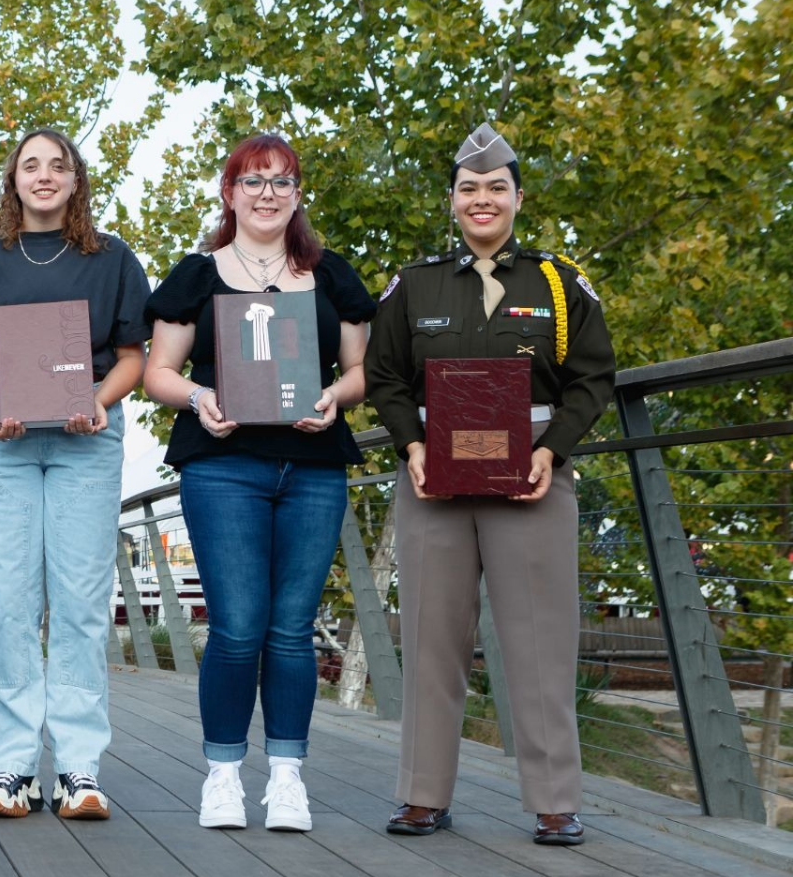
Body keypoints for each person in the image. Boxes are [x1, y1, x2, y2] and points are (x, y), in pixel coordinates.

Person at [365, 123, 614, 846]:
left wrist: (553, 452)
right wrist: (410, 446)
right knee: (433, 642)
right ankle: (422, 795)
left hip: (531, 481)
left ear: (517, 198)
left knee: (541, 645)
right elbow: (384, 377)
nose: (482, 200)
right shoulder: (415, 287)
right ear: (452, 201)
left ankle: (555, 802)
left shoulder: (559, 286)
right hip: (433, 484)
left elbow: (592, 376)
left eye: (495, 188)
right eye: (469, 189)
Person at [142, 134, 375, 833]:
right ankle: (220, 776)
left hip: (313, 470)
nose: (267, 193)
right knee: (238, 629)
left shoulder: (332, 276)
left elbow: (363, 370)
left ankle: (287, 778)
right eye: (253, 181)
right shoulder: (197, 275)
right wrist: (196, 400)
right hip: (223, 468)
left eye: (281, 181)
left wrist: (337, 396)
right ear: (230, 193)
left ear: (298, 194)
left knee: (292, 631)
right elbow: (159, 372)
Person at [0, 128, 151, 821]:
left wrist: (98, 400)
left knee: (83, 603)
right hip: (4, 441)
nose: (45, 175)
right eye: (31, 165)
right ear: (13, 181)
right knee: (7, 602)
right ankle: (13, 765)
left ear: (76, 179)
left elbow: (131, 356)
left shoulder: (112, 258)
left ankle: (80, 768)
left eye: (59, 164)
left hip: (87, 438)